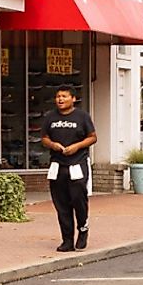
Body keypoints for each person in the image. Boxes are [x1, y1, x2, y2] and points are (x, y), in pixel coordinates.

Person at [41, 86, 97, 252]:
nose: (60, 99)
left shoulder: (82, 116)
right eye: (58, 96)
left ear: (73, 99)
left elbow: (93, 137)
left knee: (78, 199)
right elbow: (44, 138)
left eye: (64, 96)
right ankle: (67, 240)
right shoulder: (50, 117)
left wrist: (76, 147)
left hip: (77, 163)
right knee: (61, 204)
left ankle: (83, 229)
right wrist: (53, 145)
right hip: (57, 165)